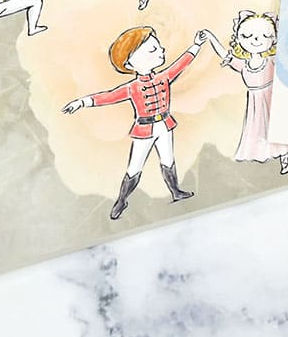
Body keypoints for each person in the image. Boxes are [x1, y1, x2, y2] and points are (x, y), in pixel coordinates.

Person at [62, 27, 205, 221]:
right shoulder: (132, 87)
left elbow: (181, 64)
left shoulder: (163, 77)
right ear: (130, 63)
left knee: (168, 160)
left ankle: (176, 191)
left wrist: (196, 45)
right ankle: (122, 200)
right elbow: (109, 96)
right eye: (152, 49)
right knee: (134, 167)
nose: (161, 51)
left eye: (159, 47)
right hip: (144, 130)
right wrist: (82, 102)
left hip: (164, 125)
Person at [200, 11, 288, 173]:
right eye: (247, 36)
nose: (256, 40)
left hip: (271, 98)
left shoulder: (271, 60)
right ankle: (267, 155)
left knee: (276, 128)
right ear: (239, 38)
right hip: (255, 102)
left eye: (265, 36)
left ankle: (284, 155)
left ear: (274, 38)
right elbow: (223, 53)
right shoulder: (243, 64)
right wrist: (210, 37)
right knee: (259, 131)